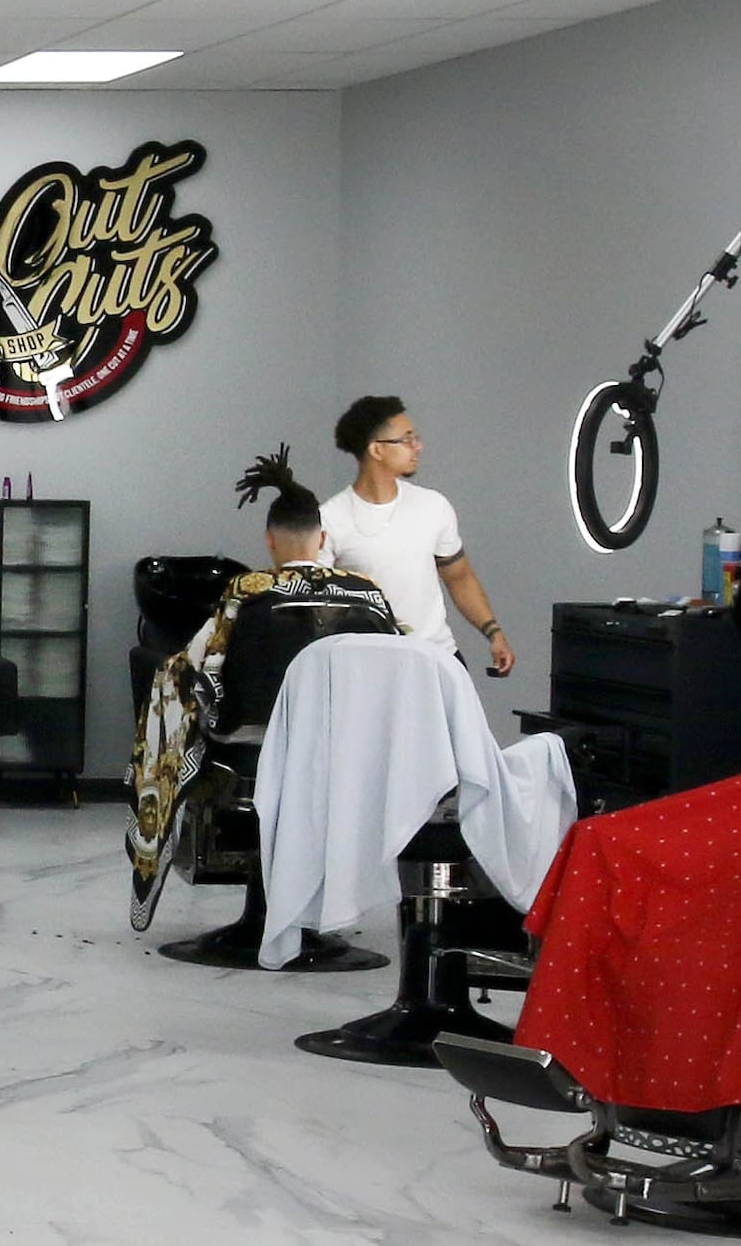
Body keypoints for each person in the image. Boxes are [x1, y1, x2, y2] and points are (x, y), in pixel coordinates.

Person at [128, 450, 402, 961]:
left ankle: (260, 910)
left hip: (252, 753)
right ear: (323, 541)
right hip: (348, 754)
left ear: (270, 541)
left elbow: (194, 669)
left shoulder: (247, 594)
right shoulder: (369, 597)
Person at [316, 396, 516, 681]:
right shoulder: (330, 519)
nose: (417, 447)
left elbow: (459, 577)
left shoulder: (433, 506)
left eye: (416, 438)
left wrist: (493, 632)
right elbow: (319, 603)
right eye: (407, 440)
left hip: (438, 657)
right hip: (370, 668)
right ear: (377, 450)